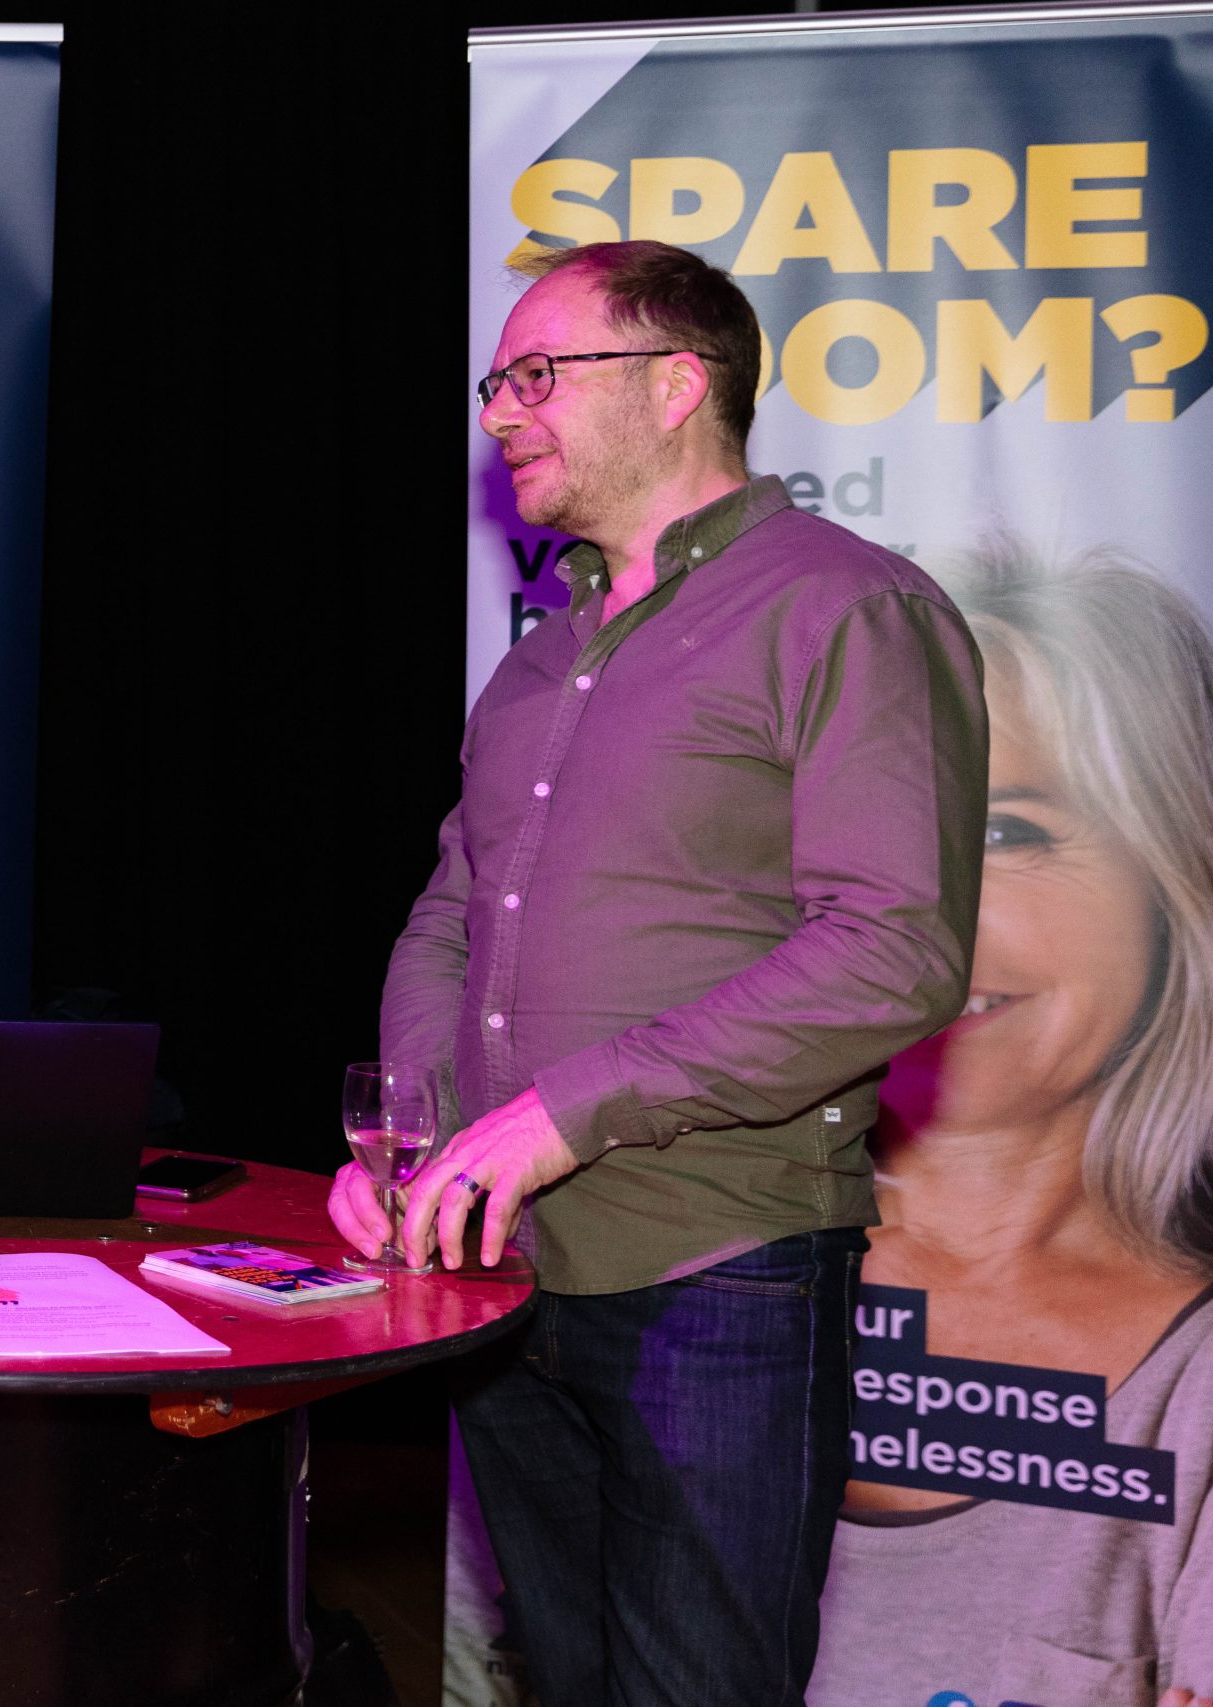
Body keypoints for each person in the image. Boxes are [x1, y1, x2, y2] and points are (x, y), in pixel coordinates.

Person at [329, 239, 987, 1704]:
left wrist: (566, 1112)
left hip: (717, 1271)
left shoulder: (846, 608)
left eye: (536, 374)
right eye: (497, 384)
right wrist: (424, 1141)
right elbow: (450, 916)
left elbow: (895, 950)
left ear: (679, 384)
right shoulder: (537, 656)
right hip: (502, 1271)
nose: (501, 412)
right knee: (563, 1676)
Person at [809, 544, 1213, 1707]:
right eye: (865, 838)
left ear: (1173, 873)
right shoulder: (671, 1275)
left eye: (1004, 833)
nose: (923, 919)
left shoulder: (1202, 1380)